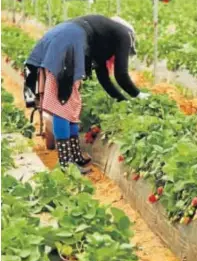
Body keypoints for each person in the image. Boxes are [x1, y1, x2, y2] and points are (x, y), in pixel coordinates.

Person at [24, 14, 150, 174]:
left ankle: (75, 156)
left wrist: (122, 100)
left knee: (72, 104)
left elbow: (104, 78)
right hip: (67, 44)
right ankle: (66, 164)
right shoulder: (123, 35)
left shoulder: (100, 38)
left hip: (63, 40)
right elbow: (121, 75)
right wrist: (138, 95)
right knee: (63, 105)